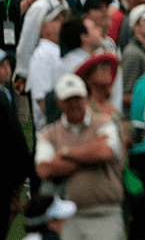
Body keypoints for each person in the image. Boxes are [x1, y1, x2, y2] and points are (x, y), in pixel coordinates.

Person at [35, 73, 125, 240]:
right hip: (68, 217)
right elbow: (44, 170)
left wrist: (66, 153)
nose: (74, 104)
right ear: (59, 103)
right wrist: (91, 153)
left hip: (105, 213)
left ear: (85, 97)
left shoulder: (105, 123)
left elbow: (105, 153)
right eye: (68, 100)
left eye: (77, 98)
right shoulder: (48, 134)